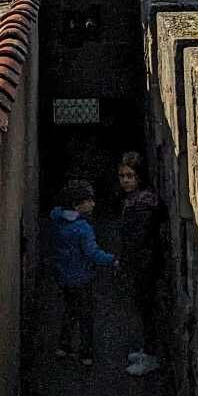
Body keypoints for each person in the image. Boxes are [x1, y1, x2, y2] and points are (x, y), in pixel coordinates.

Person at [48, 177, 115, 368]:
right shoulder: (82, 229)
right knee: (86, 316)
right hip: (82, 277)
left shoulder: (57, 219)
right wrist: (113, 260)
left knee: (70, 310)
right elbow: (92, 253)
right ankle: (86, 353)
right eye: (88, 200)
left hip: (64, 276)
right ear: (77, 205)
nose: (93, 204)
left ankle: (63, 346)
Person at [117, 150, 165, 376]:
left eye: (130, 176)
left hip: (145, 264)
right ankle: (147, 351)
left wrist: (127, 260)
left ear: (139, 177)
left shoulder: (144, 203)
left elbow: (139, 237)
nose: (125, 180)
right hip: (140, 262)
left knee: (147, 310)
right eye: (122, 176)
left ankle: (151, 356)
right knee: (142, 308)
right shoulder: (137, 200)